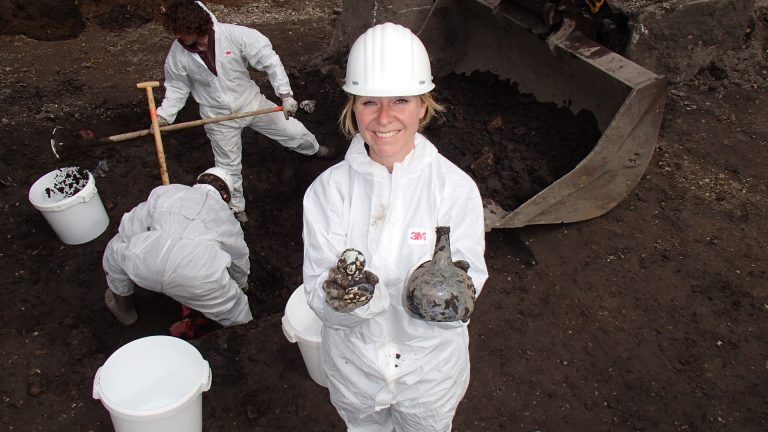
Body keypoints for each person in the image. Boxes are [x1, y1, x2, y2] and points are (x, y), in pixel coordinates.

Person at [301, 23, 488, 431]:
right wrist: (347, 299)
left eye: (401, 100)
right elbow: (318, 294)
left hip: (430, 372)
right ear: (353, 107)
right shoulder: (328, 193)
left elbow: (467, 288)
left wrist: (446, 294)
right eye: (370, 102)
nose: (384, 118)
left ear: (423, 105)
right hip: (355, 367)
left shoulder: (454, 190)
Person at [155, 0, 332, 223]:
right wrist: (165, 115)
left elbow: (270, 61)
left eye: (182, 32)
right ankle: (237, 208)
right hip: (217, 116)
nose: (178, 37)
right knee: (227, 166)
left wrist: (285, 95)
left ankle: (313, 149)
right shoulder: (177, 54)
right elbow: (177, 86)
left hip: (251, 104)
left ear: (196, 27)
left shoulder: (234, 36)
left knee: (292, 131)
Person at [102, 167, 252, 330]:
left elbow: (130, 226)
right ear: (226, 197)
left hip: (143, 263)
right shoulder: (228, 220)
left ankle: (124, 310)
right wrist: (241, 286)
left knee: (114, 248)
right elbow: (239, 259)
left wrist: (142, 246)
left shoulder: (168, 192)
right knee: (236, 310)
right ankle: (245, 337)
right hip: (200, 279)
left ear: (198, 181)